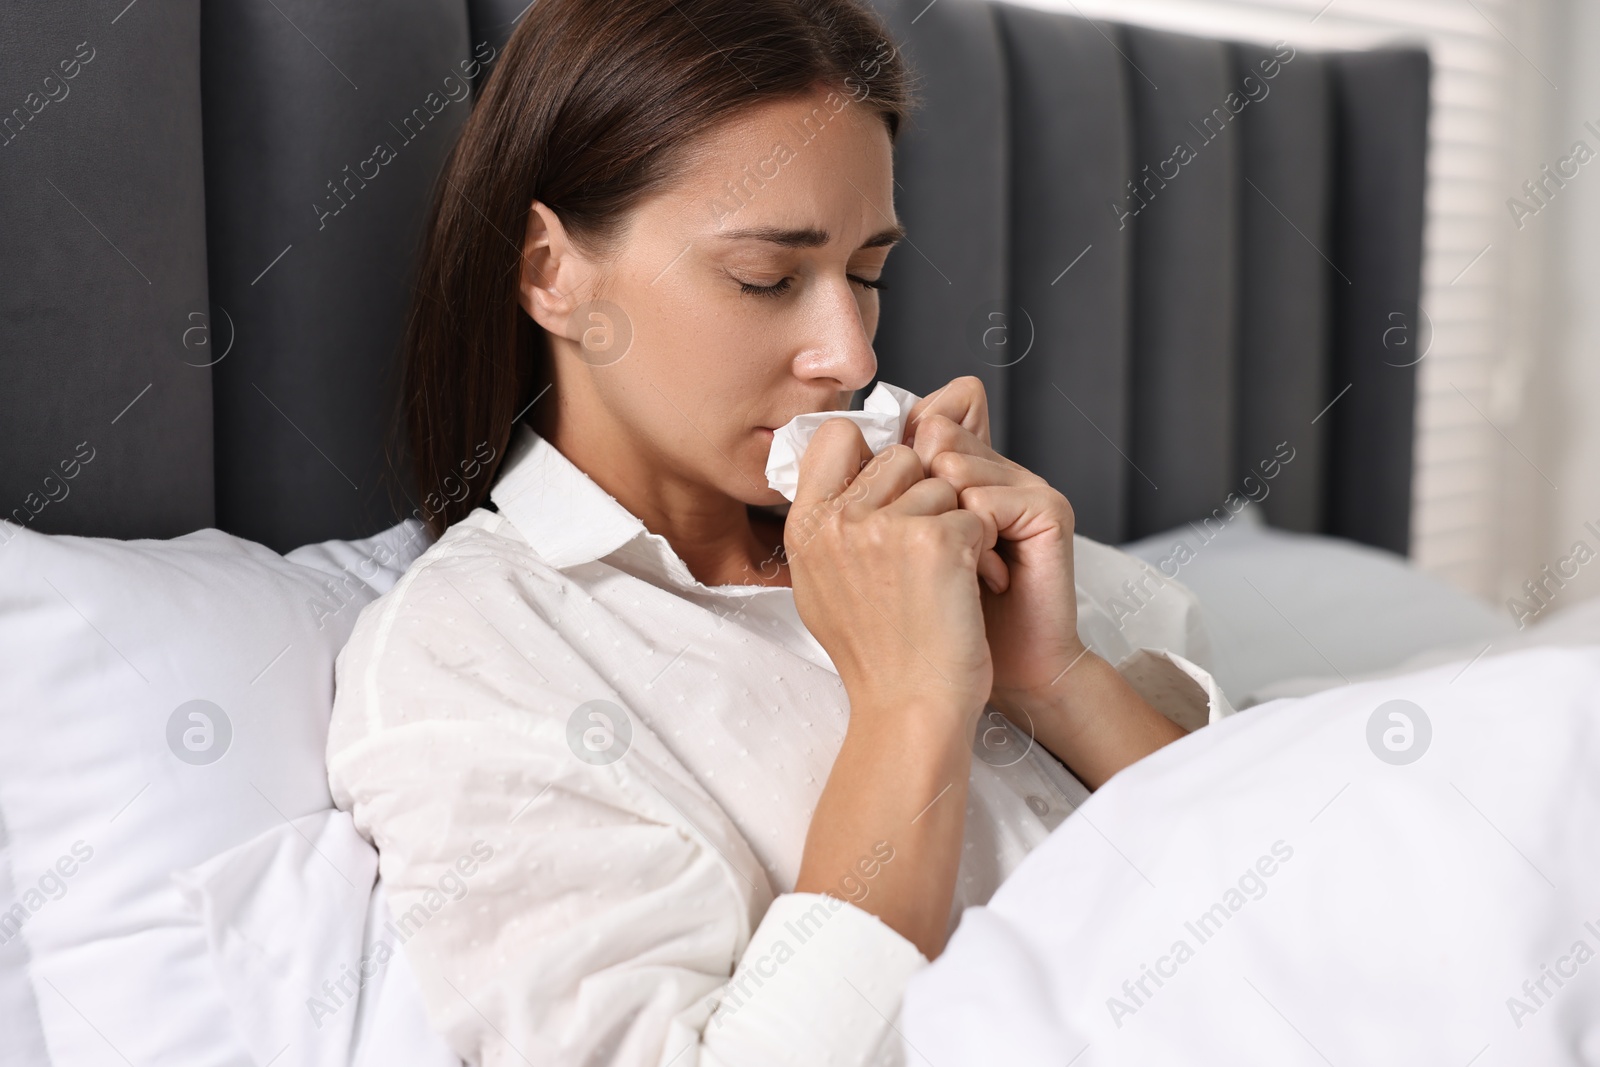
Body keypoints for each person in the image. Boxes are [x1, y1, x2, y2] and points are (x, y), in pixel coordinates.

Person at [326, 1, 1230, 1062]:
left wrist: (1053, 674)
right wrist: (909, 707)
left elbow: (1296, 889)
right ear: (549, 272)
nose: (847, 356)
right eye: (766, 277)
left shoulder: (985, 556)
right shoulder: (476, 656)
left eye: (866, 275)